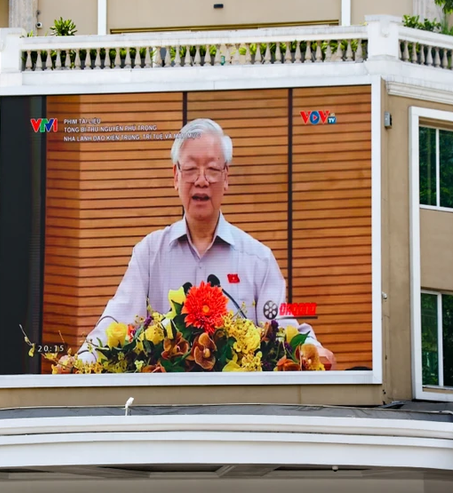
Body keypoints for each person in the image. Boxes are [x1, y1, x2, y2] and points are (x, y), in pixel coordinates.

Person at [77, 118, 335, 368]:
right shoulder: (149, 253)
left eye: (212, 169)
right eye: (190, 169)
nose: (201, 180)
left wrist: (313, 350)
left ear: (226, 177)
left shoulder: (259, 260)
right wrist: (81, 361)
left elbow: (282, 326)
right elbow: (116, 322)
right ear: (175, 176)